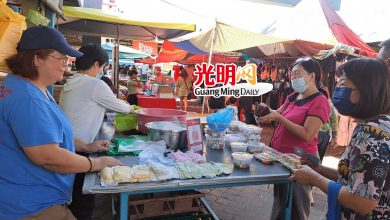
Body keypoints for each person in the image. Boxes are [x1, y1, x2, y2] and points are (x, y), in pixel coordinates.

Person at [0, 26, 122, 220]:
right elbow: (48, 156)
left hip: (31, 198)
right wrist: (95, 163)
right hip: (32, 205)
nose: (66, 65)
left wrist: (85, 145)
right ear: (37, 59)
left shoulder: (27, 85)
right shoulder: (28, 98)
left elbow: (51, 131)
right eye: (61, 58)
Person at [290, 57, 390, 220]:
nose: (337, 90)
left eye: (343, 84)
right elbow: (358, 179)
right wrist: (319, 169)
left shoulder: (372, 133)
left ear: (366, 89)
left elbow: (362, 202)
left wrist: (315, 178)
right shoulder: (378, 125)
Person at [59, 44, 133, 220]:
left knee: (73, 198)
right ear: (96, 64)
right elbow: (123, 109)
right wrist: (130, 106)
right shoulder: (94, 84)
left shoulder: (70, 83)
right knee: (83, 202)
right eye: (103, 66)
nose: (102, 70)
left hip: (69, 145)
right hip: (79, 150)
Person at [258, 57, 331, 220]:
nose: (293, 78)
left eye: (297, 74)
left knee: (297, 208)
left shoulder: (320, 101)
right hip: (281, 158)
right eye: (292, 75)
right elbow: (278, 112)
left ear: (312, 76)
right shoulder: (293, 95)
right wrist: (266, 112)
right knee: (281, 202)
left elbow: (307, 134)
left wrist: (279, 119)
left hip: (300, 162)